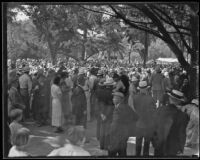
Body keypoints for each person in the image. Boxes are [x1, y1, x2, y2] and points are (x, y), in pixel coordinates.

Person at [153, 90, 190, 156]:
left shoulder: (159, 110)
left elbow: (153, 128)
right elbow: (182, 134)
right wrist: (181, 148)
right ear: (179, 102)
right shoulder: (183, 116)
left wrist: (154, 142)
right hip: (173, 149)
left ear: (169, 98)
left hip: (159, 145)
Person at [108, 92, 138, 156]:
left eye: (114, 98)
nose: (113, 99)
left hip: (116, 135)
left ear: (119, 99)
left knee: (112, 152)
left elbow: (115, 124)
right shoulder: (127, 107)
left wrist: (110, 131)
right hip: (124, 134)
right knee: (122, 152)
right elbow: (136, 117)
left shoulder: (118, 109)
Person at [133, 81, 157, 156]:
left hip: (139, 123)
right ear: (146, 88)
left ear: (139, 88)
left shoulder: (135, 97)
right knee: (146, 145)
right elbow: (154, 112)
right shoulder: (151, 99)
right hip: (148, 124)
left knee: (138, 143)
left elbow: (136, 108)